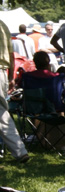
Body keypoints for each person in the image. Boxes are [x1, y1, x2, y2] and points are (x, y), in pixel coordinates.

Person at [0, 22, 31, 164]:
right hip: (2, 73)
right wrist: (11, 76)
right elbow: (11, 54)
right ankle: (19, 151)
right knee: (2, 113)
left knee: (2, 114)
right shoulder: (3, 26)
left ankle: (19, 151)